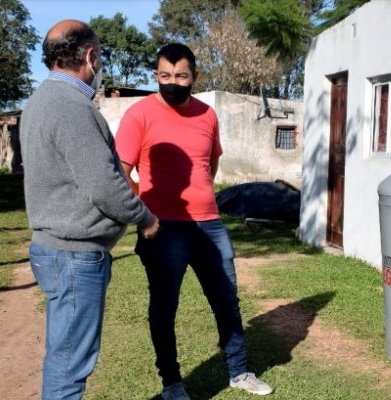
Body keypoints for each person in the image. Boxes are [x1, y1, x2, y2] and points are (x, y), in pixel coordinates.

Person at [115, 43, 273, 400]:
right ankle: (172, 383)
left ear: (195, 77)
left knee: (227, 301)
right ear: (156, 76)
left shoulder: (207, 115)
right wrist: (144, 212)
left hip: (209, 224)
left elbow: (210, 164)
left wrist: (201, 196)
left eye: (181, 76)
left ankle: (238, 371)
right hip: (162, 227)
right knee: (165, 305)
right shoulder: (138, 115)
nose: (173, 82)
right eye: (165, 76)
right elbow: (121, 171)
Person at [20, 20, 159, 400]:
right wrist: (145, 219)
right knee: (70, 365)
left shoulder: (39, 102)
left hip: (54, 249)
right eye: (100, 56)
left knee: (63, 355)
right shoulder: (71, 107)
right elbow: (106, 186)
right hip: (74, 255)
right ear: (90, 55)